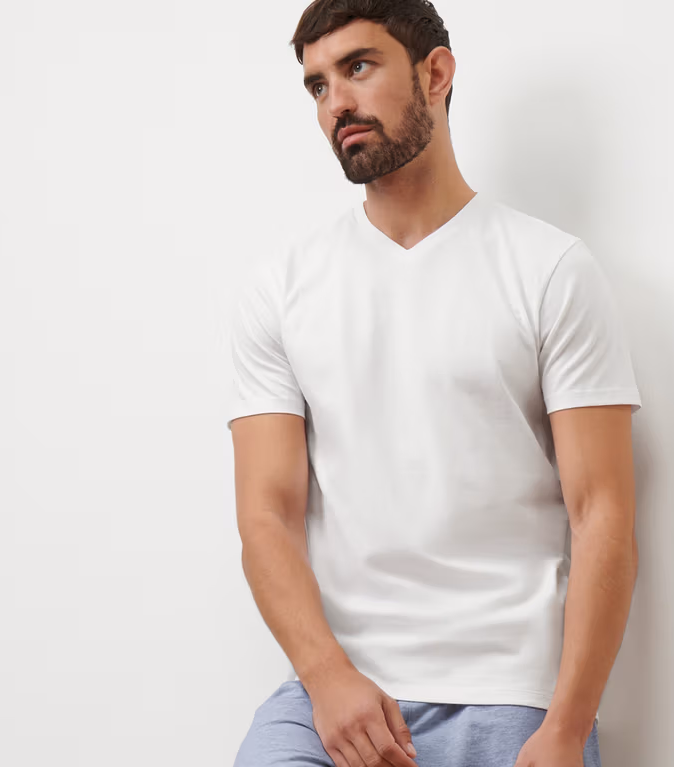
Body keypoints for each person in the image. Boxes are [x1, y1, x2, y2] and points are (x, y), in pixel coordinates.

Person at [226, 2, 642, 765]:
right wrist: (327, 676)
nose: (336, 103)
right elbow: (266, 516)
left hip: (514, 693)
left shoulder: (549, 269)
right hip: (338, 690)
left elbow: (603, 510)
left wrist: (566, 727)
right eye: (317, 85)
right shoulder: (282, 288)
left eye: (358, 67)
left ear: (436, 73)